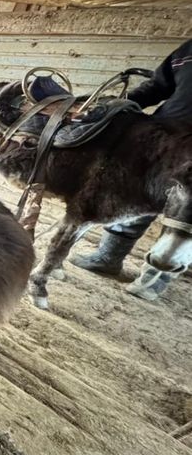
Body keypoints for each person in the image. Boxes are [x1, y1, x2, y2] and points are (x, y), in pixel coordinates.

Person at [70, 37, 192, 300]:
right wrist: (118, 106)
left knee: (184, 216)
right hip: (162, 136)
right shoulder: (188, 50)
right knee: (134, 195)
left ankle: (156, 280)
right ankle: (108, 257)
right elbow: (157, 87)